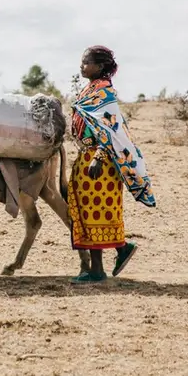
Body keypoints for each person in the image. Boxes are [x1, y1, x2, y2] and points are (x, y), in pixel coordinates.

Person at [67, 46, 156, 283]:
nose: (82, 66)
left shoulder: (105, 94)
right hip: (85, 159)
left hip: (100, 163)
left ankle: (98, 268)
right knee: (88, 214)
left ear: (100, 67)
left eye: (86, 62)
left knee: (97, 213)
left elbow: (111, 132)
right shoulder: (89, 90)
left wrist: (98, 157)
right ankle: (118, 250)